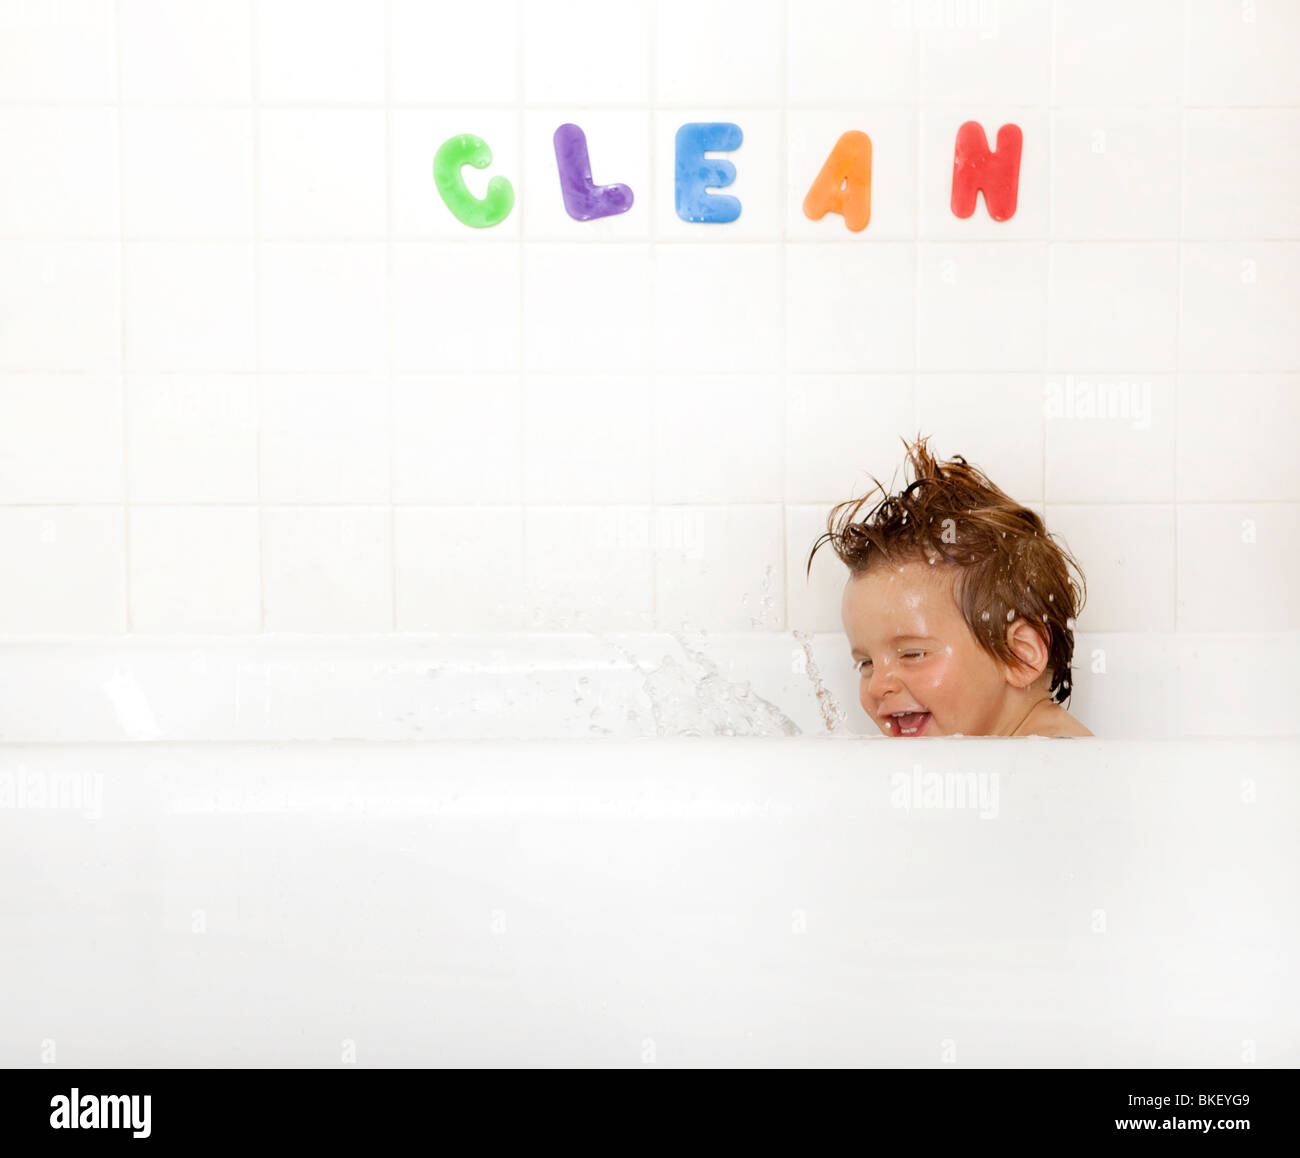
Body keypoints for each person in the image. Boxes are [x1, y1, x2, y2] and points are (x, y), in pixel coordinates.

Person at [807, 435, 1093, 737]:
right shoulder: (996, 751)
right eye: (866, 663)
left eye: (912, 655)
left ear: (1020, 656)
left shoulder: (1054, 758)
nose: (879, 686)